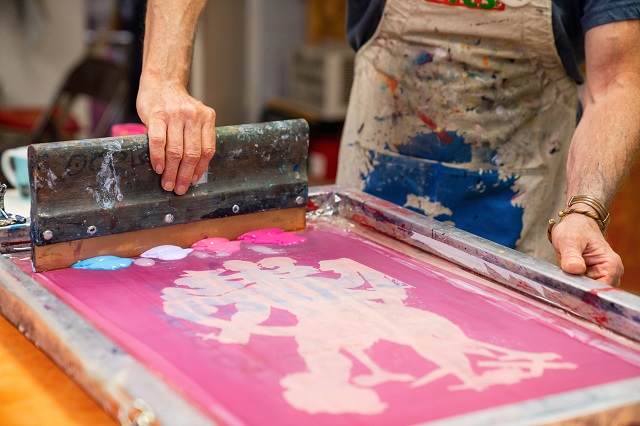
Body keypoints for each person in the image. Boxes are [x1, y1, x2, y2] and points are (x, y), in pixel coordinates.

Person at [136, 0, 640, 287]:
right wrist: (161, 77)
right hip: (372, 212)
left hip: (522, 217)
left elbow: (618, 82)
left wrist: (585, 209)